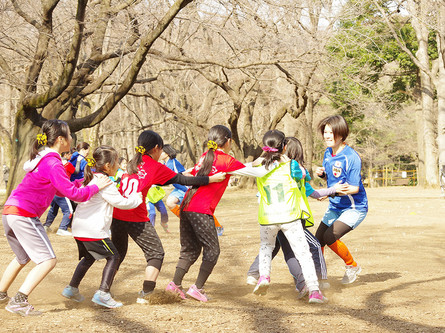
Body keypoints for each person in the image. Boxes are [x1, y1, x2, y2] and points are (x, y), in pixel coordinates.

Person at [0, 119, 111, 316]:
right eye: (68, 135)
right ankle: (19, 301)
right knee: (48, 260)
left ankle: (0, 295)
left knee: (22, 257)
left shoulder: (43, 159)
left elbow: (62, 189)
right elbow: (75, 195)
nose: (71, 139)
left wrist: (84, 182)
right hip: (23, 214)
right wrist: (96, 187)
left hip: (10, 211)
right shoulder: (52, 162)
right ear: (60, 139)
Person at [111, 130, 226, 304]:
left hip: (117, 214)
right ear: (157, 148)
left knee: (118, 254)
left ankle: (104, 289)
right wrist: (211, 179)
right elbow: (183, 181)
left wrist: (186, 174)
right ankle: (146, 293)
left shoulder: (131, 164)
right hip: (135, 215)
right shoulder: (154, 166)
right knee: (156, 253)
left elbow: (165, 178)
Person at [165, 125, 275, 302]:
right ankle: (197, 288)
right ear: (228, 141)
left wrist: (254, 162)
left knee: (190, 250)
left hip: (186, 207)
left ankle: (175, 285)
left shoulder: (205, 157)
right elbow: (257, 172)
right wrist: (275, 160)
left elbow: (240, 168)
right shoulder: (226, 160)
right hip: (201, 210)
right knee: (213, 250)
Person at [246, 137, 344, 298]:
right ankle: (317, 283)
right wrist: (333, 189)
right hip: (291, 218)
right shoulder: (295, 171)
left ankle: (256, 274)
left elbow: (253, 180)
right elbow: (314, 192)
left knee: (275, 248)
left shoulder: (267, 170)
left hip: (270, 219)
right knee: (310, 247)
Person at [62, 146, 142, 309]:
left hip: (79, 229)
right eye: (116, 162)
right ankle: (103, 293)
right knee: (114, 257)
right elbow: (122, 203)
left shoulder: (90, 177)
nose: (118, 166)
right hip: (94, 231)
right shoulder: (105, 182)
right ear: (107, 166)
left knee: (90, 257)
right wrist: (137, 198)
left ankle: (71, 289)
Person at [315, 115, 368, 284]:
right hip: (335, 205)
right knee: (318, 240)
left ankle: (352, 266)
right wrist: (323, 175)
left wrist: (329, 193)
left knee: (330, 237)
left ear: (341, 134)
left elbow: (354, 188)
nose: (327, 136)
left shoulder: (351, 157)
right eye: (325, 132)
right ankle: (319, 276)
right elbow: (333, 181)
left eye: (331, 132)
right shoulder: (327, 153)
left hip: (354, 207)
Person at [161, 144, 225, 236]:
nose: (160, 153)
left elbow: (177, 176)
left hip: (185, 187)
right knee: (170, 203)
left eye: (162, 152)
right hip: (178, 188)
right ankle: (189, 224)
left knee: (200, 209)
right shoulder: (165, 164)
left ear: (167, 153)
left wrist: (188, 172)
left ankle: (218, 226)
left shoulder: (172, 162)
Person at [43, 150, 76, 235]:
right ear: (65, 154)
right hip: (62, 191)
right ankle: (62, 228)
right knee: (69, 211)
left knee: (53, 209)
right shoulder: (68, 165)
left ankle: (46, 226)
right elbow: (76, 171)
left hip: (53, 191)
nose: (71, 156)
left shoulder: (56, 163)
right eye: (69, 154)